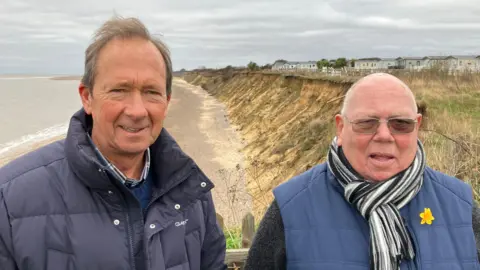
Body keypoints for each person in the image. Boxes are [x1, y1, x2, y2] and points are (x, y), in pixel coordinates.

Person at [0, 16, 227, 270]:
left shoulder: (191, 192)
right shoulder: (10, 200)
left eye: (151, 92)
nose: (137, 110)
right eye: (119, 90)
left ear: (167, 100)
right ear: (87, 98)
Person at [244, 73, 480, 270]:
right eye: (367, 123)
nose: (385, 136)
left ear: (417, 126)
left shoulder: (461, 207)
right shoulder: (290, 209)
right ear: (341, 127)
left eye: (401, 124)